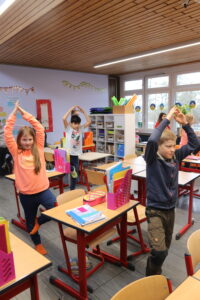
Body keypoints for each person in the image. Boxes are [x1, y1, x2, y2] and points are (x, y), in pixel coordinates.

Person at [144, 106, 199, 276]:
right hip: (155, 210)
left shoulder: (175, 156)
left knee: (164, 249)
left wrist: (185, 125)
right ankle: (151, 278)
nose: (172, 149)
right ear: (159, 147)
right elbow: (152, 140)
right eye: (168, 146)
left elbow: (195, 144)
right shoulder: (152, 158)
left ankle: (155, 271)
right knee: (159, 252)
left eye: (174, 145)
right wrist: (166, 118)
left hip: (170, 210)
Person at [4, 101, 56, 255]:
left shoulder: (38, 149)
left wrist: (25, 113)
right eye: (24, 140)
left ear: (34, 140)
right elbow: (7, 133)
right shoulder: (16, 152)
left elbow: (39, 128)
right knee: (29, 220)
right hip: (26, 195)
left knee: (54, 209)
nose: (27, 142)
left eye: (29, 139)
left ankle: (38, 222)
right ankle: (37, 243)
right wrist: (13, 114)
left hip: (43, 191)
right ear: (19, 140)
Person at [62, 105, 91, 190]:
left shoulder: (80, 129)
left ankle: (72, 189)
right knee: (69, 168)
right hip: (68, 153)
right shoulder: (68, 129)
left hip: (75, 155)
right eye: (75, 123)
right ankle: (71, 168)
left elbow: (89, 121)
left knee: (75, 173)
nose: (77, 125)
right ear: (71, 123)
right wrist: (71, 109)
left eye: (78, 123)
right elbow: (64, 119)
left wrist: (83, 111)